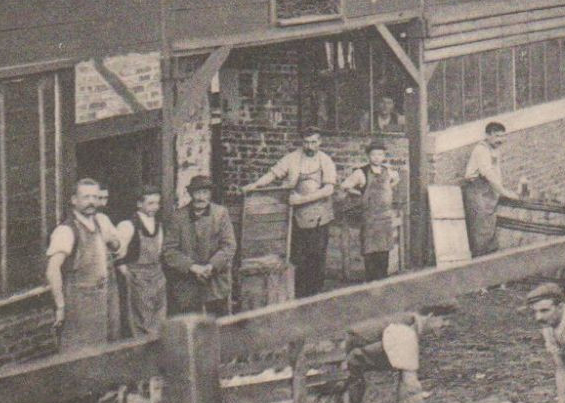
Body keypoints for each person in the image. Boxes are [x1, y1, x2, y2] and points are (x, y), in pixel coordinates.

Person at [245, 129, 338, 297]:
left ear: (320, 142)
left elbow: (328, 189)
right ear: (302, 142)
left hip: (319, 217)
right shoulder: (293, 158)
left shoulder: (326, 160)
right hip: (296, 216)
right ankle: (299, 295)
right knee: (298, 256)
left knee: (316, 257)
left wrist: (302, 199)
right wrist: (255, 185)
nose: (310, 146)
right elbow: (273, 173)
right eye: (307, 142)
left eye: (314, 142)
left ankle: (315, 294)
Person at [45, 179, 124, 351]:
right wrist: (60, 305)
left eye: (95, 197)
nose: (91, 202)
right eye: (86, 197)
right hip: (80, 303)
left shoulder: (100, 222)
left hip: (104, 298)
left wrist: (114, 242)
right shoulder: (66, 230)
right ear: (74, 200)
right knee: (81, 353)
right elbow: (52, 270)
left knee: (105, 349)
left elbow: (117, 247)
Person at [163, 175, 237, 316]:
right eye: (197, 192)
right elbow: (169, 251)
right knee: (191, 328)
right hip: (187, 285)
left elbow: (229, 246)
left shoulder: (220, 214)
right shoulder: (178, 217)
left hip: (216, 283)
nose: (200, 197)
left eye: (205, 192)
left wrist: (211, 266)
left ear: (210, 194)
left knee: (219, 326)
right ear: (190, 194)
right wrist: (193, 267)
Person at [340, 142, 402, 281]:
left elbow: (397, 179)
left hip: (385, 218)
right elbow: (345, 186)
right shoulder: (361, 172)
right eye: (373, 154)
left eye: (380, 154)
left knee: (384, 252)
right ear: (368, 156)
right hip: (370, 219)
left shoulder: (389, 171)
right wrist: (359, 193)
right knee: (370, 252)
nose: (377, 158)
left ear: (384, 156)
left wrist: (389, 188)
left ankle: (383, 282)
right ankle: (371, 284)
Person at [115, 188, 168, 337]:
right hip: (138, 277)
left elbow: (159, 251)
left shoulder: (159, 224)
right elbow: (118, 258)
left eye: (157, 203)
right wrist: (129, 275)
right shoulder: (128, 225)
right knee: (141, 320)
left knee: (159, 318)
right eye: (150, 203)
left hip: (157, 276)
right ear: (139, 204)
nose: (155, 207)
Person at [461, 121, 513, 256]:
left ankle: (488, 262)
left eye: (503, 136)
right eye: (497, 136)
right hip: (476, 190)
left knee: (490, 228)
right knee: (480, 229)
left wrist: (499, 190)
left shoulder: (495, 149)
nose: (500, 140)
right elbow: (488, 174)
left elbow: (496, 172)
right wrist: (504, 192)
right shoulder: (481, 150)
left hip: (488, 191)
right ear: (487, 135)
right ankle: (478, 262)